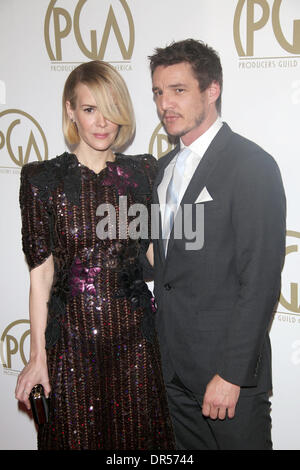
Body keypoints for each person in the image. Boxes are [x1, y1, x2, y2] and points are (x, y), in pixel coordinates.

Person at [15, 60, 175, 450]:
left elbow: (157, 256)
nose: (102, 122)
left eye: (110, 110)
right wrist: (37, 355)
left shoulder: (143, 173)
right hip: (71, 344)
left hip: (135, 340)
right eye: (89, 110)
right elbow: (41, 277)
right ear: (71, 110)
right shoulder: (42, 180)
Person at [148, 39, 286, 450]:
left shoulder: (251, 165)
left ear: (212, 90)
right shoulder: (163, 169)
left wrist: (231, 375)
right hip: (173, 373)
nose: (164, 104)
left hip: (227, 379)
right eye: (158, 92)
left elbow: (259, 281)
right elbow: (163, 265)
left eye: (178, 90)